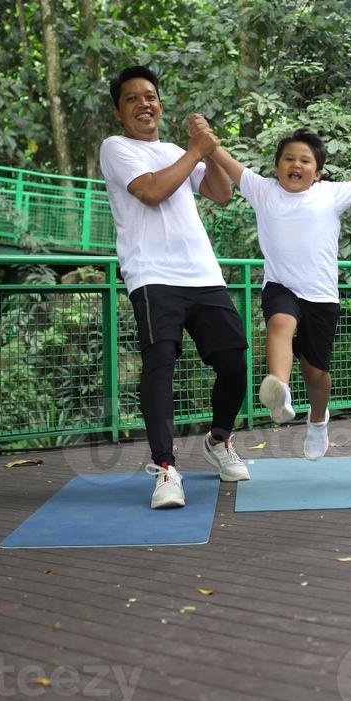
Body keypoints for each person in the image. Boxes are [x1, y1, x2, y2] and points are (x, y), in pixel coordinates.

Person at [196, 119, 351, 460]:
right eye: (288, 158)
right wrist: (205, 137)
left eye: (305, 160)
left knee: (316, 374)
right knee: (280, 323)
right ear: (276, 167)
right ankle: (280, 390)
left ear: (317, 172)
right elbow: (224, 159)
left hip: (321, 295)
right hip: (281, 285)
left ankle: (318, 420)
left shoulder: (330, 194)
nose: (296, 165)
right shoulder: (262, 189)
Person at [99, 66, 250, 510]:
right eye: (132, 99)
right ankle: (165, 469)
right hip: (150, 274)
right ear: (118, 112)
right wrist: (195, 151)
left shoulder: (174, 150)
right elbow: (151, 192)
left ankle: (218, 441)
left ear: (160, 104)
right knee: (160, 364)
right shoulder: (116, 148)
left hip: (202, 272)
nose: (144, 104)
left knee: (235, 361)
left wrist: (211, 148)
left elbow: (220, 192)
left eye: (150, 96)